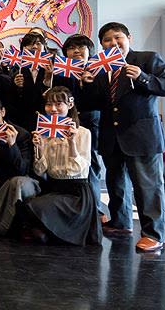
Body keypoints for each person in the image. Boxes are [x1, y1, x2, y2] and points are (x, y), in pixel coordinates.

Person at [81, 22, 165, 252]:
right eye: (107, 40)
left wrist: (143, 77)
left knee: (148, 187)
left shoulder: (147, 59)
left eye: (117, 37)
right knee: (116, 182)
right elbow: (93, 104)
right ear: (101, 45)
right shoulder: (100, 67)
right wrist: (85, 85)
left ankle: (154, 233)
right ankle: (121, 222)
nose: (113, 43)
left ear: (129, 37)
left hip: (142, 135)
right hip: (111, 134)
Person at [22, 86, 102, 245]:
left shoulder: (83, 133)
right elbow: (40, 170)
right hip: (54, 189)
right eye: (49, 104)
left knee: (36, 207)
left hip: (76, 193)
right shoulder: (44, 133)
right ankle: (46, 232)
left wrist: (72, 142)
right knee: (25, 206)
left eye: (59, 104)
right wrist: (38, 148)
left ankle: (50, 232)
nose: (53, 109)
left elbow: (80, 169)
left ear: (70, 105)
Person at [51, 34, 107, 219]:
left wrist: (87, 84)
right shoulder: (60, 72)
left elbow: (101, 101)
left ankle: (95, 208)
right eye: (72, 48)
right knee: (66, 160)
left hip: (91, 122)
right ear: (65, 52)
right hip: (65, 123)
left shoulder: (98, 70)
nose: (76, 51)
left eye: (81, 47)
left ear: (89, 51)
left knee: (90, 164)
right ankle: (73, 207)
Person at [0, 97, 37, 236]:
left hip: (25, 185)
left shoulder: (21, 134)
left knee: (17, 182)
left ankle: (23, 223)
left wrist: (12, 145)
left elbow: (23, 170)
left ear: (3, 112)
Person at [13, 32, 50, 131]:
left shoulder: (52, 69)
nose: (34, 46)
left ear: (44, 47)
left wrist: (49, 79)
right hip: (23, 120)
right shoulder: (16, 71)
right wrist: (16, 87)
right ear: (23, 48)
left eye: (38, 43)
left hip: (46, 118)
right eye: (29, 44)